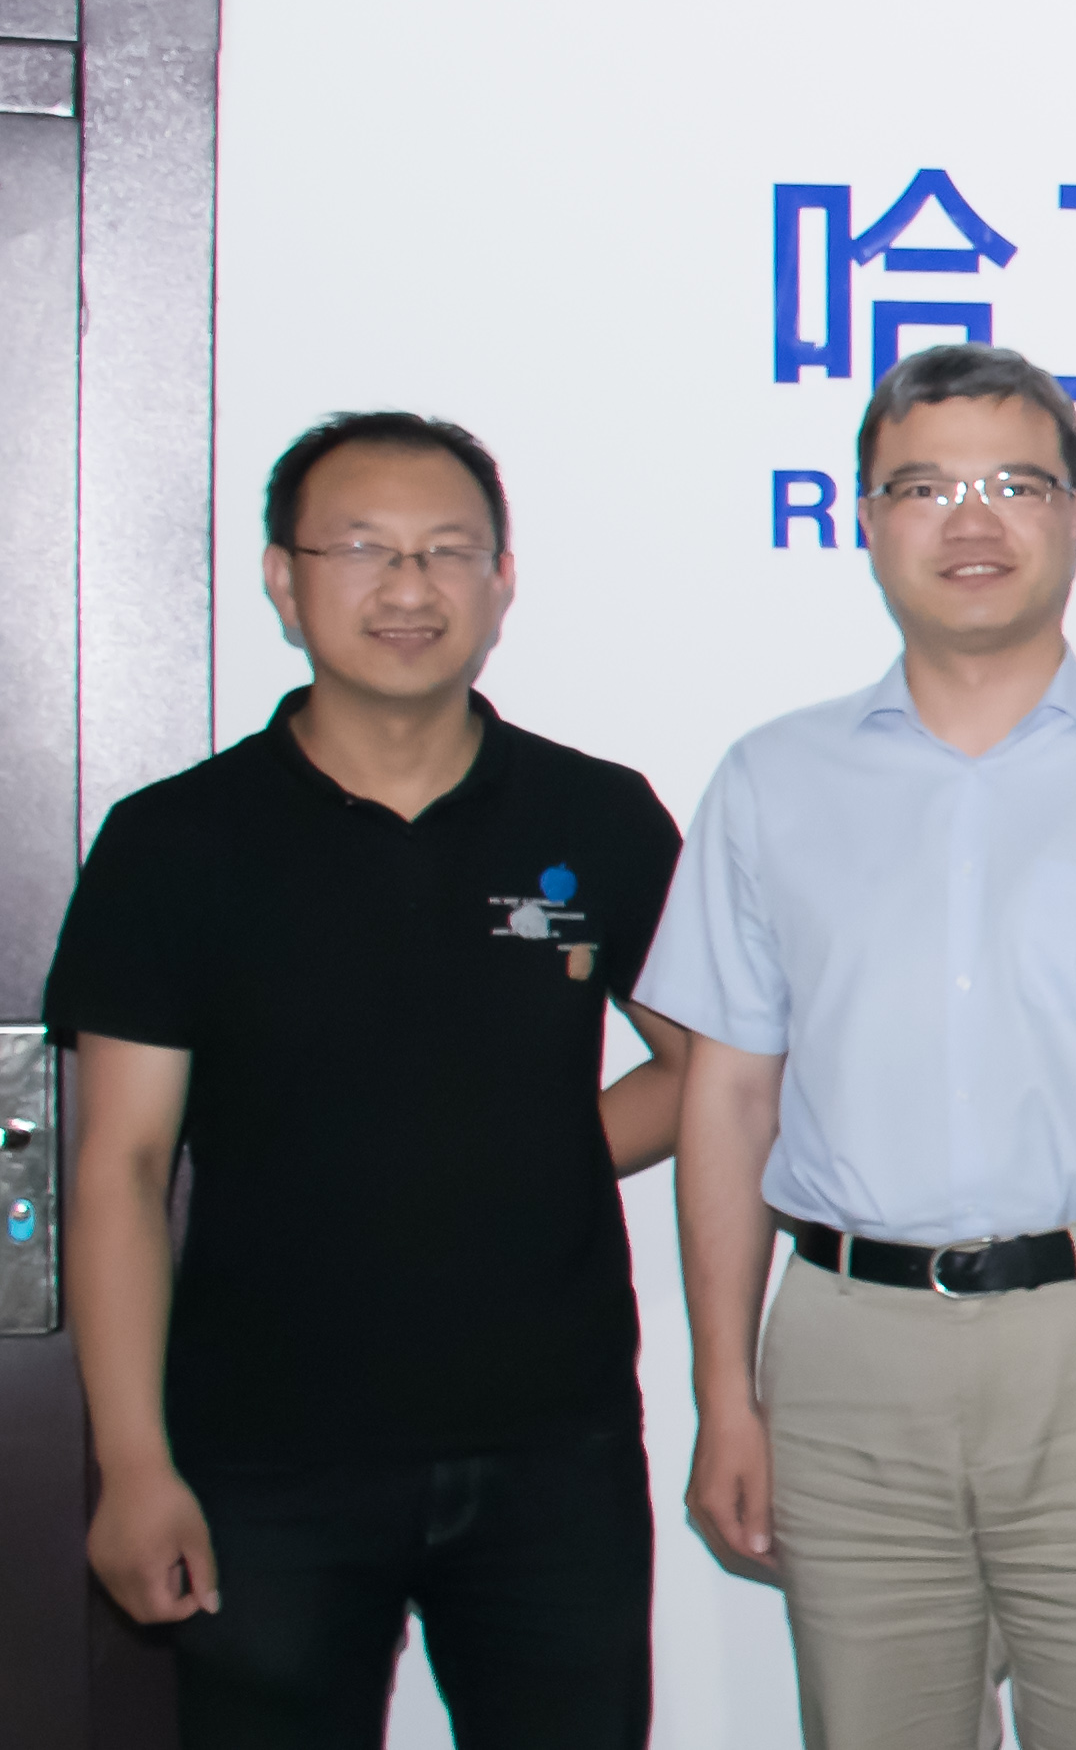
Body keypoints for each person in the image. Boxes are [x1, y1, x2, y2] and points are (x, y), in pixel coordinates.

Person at [638, 343, 1076, 1750]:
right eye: (924, 486)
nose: (972, 520)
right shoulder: (771, 781)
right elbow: (729, 1099)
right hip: (844, 1353)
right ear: (865, 519)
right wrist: (723, 1395)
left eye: (1015, 483)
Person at [53, 413, 690, 1748]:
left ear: (501, 583)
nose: (410, 587)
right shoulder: (175, 843)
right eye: (362, 550)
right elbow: (120, 1165)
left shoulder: (597, 817)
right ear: (284, 583)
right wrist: (132, 1463)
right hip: (265, 1459)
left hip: (551, 1452)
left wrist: (529, 1147)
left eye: (448, 551)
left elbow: (706, 1071)